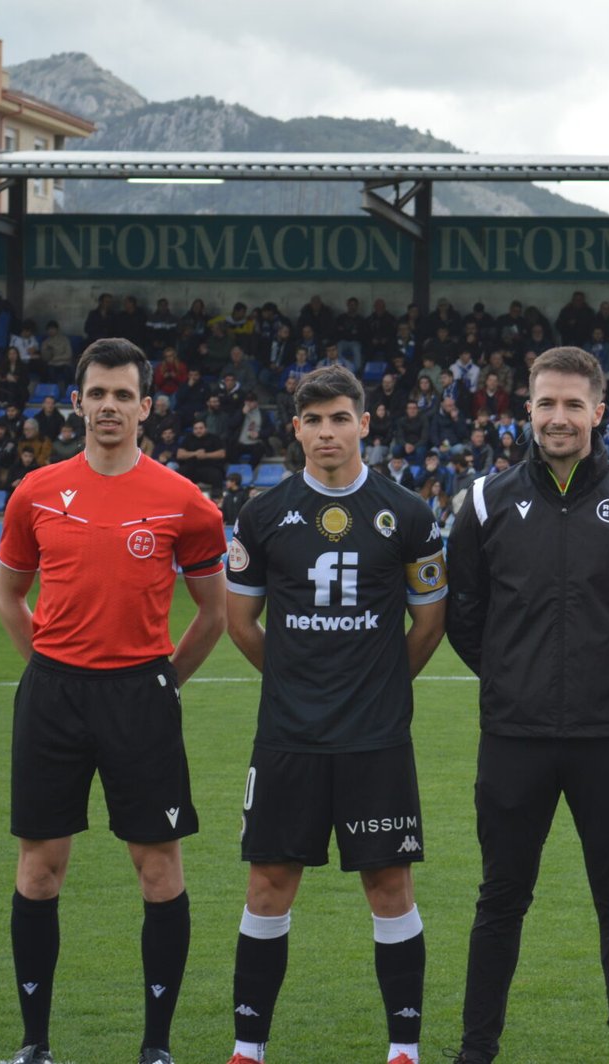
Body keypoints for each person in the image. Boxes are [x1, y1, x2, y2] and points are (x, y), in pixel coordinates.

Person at [445, 347, 609, 1064]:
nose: (558, 417)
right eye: (546, 403)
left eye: (572, 405)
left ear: (599, 412)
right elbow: (465, 613)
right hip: (514, 738)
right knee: (500, 899)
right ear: (528, 409)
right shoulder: (486, 502)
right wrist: (509, 680)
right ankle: (476, 1049)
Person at [0, 338, 230, 1064]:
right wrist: (53, 671)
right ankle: (35, 1042)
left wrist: (160, 684)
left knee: (159, 871)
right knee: (39, 868)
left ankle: (155, 1047)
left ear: (146, 408)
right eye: (97, 394)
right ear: (77, 403)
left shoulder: (184, 503)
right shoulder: (35, 491)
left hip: (141, 697)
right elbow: (9, 598)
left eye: (123, 395)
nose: (108, 407)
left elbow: (213, 615)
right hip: (54, 696)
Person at [222, 365, 448, 1064]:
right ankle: (247, 1049)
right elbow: (241, 622)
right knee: (268, 885)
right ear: (296, 429)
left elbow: (429, 624)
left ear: (364, 424)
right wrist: (298, 682)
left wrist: (375, 685)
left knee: (389, 884)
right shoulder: (262, 515)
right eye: (314, 420)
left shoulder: (407, 514)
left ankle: (403, 1049)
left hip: (375, 738)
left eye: (340, 418)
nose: (328, 432)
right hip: (289, 736)